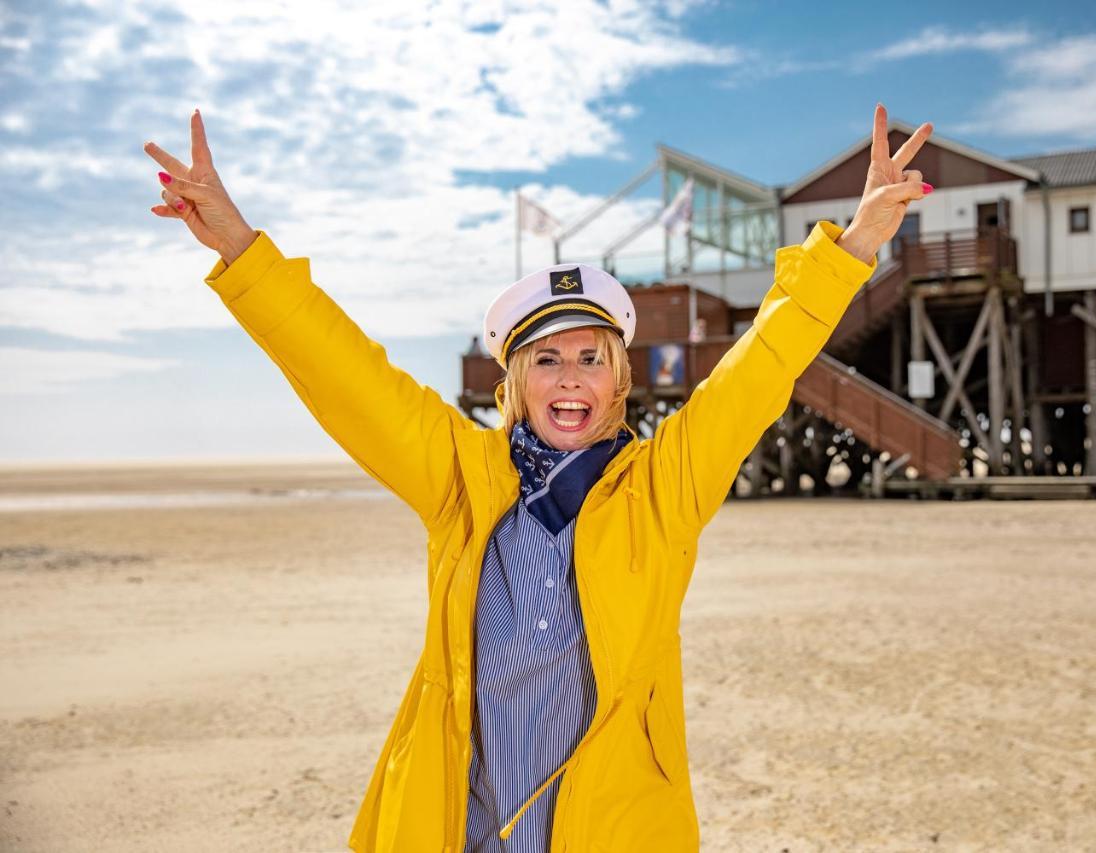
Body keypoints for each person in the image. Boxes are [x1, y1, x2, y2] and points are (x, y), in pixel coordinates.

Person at [143, 102, 932, 852]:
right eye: (546, 360)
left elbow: (758, 369)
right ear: (515, 381)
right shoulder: (461, 475)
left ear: (619, 376)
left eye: (591, 359)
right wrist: (242, 249)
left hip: (610, 824)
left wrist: (855, 244)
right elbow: (348, 374)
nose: (569, 380)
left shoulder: (666, 487)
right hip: (463, 820)